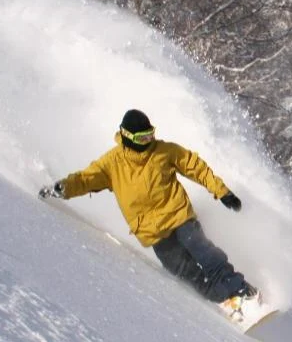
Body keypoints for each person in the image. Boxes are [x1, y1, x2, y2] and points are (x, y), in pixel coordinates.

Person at [39, 109, 257, 314]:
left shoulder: (164, 151)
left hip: (178, 216)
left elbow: (195, 167)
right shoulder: (112, 164)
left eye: (150, 135)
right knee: (185, 273)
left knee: (200, 248)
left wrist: (222, 191)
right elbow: (85, 180)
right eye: (143, 138)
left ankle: (240, 289)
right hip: (152, 233)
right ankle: (227, 302)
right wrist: (63, 188)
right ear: (127, 137)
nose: (149, 141)